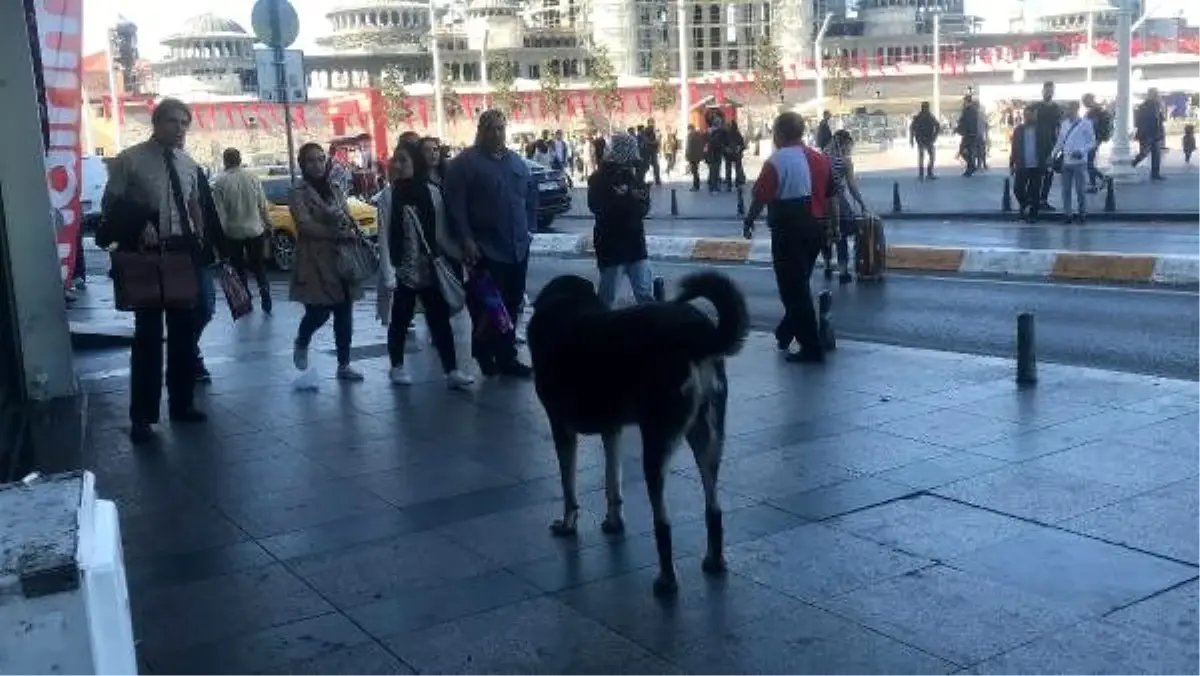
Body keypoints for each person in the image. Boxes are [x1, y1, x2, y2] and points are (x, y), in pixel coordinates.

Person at [96, 97, 207, 443]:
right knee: (147, 340)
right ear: (156, 123)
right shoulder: (130, 160)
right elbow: (109, 205)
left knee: (184, 336)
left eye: (185, 123)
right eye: (173, 122)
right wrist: (138, 223)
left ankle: (182, 404)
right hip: (145, 257)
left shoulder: (189, 164)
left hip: (179, 255)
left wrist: (200, 239)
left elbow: (193, 205)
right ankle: (142, 417)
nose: (180, 129)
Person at [443, 110, 536, 379]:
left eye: (501, 128)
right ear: (481, 130)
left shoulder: (516, 162)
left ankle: (497, 352)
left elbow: (530, 196)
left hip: (517, 247)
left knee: (513, 301)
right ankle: (496, 355)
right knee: (491, 306)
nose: (497, 134)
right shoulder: (465, 164)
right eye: (491, 129)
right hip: (486, 248)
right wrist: (467, 239)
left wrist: (530, 229)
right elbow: (455, 206)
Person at [377, 141, 474, 389]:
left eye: (404, 160)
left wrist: (461, 255)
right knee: (400, 319)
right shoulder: (388, 196)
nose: (398, 165)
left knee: (439, 320)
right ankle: (396, 366)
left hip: (430, 269)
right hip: (403, 271)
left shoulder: (432, 193)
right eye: (395, 160)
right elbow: (384, 237)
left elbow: (440, 234)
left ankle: (451, 370)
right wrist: (389, 274)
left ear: (415, 163)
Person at [742, 112, 833, 363]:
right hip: (816, 228)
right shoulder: (819, 158)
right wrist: (831, 228)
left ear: (780, 133)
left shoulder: (777, 161)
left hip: (789, 230)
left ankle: (811, 346)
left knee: (792, 290)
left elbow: (761, 196)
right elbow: (831, 196)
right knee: (799, 284)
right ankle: (787, 332)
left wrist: (749, 221)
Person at [289, 142, 365, 382]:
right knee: (318, 312)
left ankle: (344, 365)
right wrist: (332, 228)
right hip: (314, 260)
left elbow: (346, 215)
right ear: (302, 164)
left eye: (321, 159)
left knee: (345, 311)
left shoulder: (334, 186)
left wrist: (346, 223)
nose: (317, 165)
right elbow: (304, 225)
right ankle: (302, 340)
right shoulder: (297, 191)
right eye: (311, 160)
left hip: (341, 257)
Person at [588, 132, 654, 307]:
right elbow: (598, 208)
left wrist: (631, 197)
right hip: (612, 248)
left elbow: (643, 207)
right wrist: (624, 199)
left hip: (635, 245)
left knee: (645, 294)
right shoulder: (599, 178)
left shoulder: (634, 176)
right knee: (606, 299)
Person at [212, 147, 273, 315]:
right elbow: (262, 204)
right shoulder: (252, 177)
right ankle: (265, 293)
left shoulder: (220, 182)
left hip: (233, 233)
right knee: (259, 265)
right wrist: (269, 224)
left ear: (225, 161)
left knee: (239, 268)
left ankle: (246, 299)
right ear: (239, 160)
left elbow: (220, 212)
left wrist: (220, 237)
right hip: (255, 230)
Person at [820, 130, 869, 284]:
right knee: (840, 234)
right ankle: (842, 271)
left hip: (819, 200)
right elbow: (852, 186)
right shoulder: (845, 160)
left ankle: (827, 266)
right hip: (837, 200)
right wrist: (862, 204)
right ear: (846, 143)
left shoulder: (822, 156)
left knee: (826, 233)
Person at [1052, 101, 1096, 224]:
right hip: (1066, 161)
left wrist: (1082, 151)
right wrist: (1053, 155)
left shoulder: (1086, 123)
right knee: (1065, 190)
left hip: (1079, 162)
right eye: (1067, 108)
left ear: (1076, 109)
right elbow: (1060, 142)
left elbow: (1092, 142)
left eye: (1069, 108)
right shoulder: (1064, 124)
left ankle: (1082, 213)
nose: (1067, 110)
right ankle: (1068, 214)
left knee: (1080, 189)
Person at [1009, 105, 1048, 223]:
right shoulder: (1018, 130)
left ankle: (1033, 214)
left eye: (1031, 114)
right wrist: (1012, 163)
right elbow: (1014, 147)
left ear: (1034, 115)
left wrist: (1047, 160)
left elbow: (1047, 146)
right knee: (1018, 189)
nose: (1028, 117)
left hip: (1037, 164)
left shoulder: (1041, 129)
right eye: (1026, 115)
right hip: (1022, 164)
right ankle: (1025, 203)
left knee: (1035, 190)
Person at [1033, 81, 1064, 209]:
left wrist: (1059, 146)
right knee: (1036, 173)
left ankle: (1043, 200)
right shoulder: (1036, 107)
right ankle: (1034, 199)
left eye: (1051, 91)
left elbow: (1060, 127)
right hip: (1037, 143)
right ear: (1042, 91)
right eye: (1047, 90)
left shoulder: (1057, 108)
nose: (1049, 93)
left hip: (1051, 144)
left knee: (1049, 173)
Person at [1132, 88, 1166, 180]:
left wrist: (1162, 109)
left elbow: (1161, 119)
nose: (1156, 95)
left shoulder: (1157, 105)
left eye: (1156, 93)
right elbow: (1142, 120)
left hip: (1155, 133)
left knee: (1156, 154)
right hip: (1147, 133)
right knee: (1144, 153)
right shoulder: (1145, 106)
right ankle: (1131, 165)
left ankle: (1155, 174)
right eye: (1155, 94)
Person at [1082, 93, 1111, 192]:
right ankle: (1097, 182)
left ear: (1090, 100)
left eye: (1085, 102)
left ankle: (1098, 181)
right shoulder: (1095, 110)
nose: (1084, 104)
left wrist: (1099, 139)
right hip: (1093, 139)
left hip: (1094, 140)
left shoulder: (1096, 111)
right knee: (1089, 162)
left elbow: (1096, 127)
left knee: (1089, 162)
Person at [910, 101, 941, 180]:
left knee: (922, 156)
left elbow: (912, 128)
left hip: (921, 139)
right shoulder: (929, 116)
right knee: (931, 156)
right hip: (928, 139)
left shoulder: (918, 117)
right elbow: (937, 126)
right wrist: (934, 136)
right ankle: (929, 173)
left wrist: (912, 139)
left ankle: (921, 174)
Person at [724, 120, 747, 189]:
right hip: (731, 154)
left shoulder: (736, 134)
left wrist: (739, 147)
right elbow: (723, 144)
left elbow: (742, 145)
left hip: (735, 154)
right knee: (731, 170)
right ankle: (731, 184)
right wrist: (726, 148)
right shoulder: (728, 134)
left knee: (736, 169)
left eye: (730, 125)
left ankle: (734, 184)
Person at [641, 119, 662, 186]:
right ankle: (642, 180)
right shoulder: (645, 131)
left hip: (652, 151)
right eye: (651, 123)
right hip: (647, 151)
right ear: (648, 123)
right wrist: (653, 142)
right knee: (646, 166)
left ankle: (657, 180)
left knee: (655, 166)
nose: (652, 124)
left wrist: (655, 143)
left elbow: (658, 140)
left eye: (653, 123)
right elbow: (645, 140)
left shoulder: (655, 131)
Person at [684, 124, 706, 191]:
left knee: (694, 172)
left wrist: (687, 156)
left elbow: (689, 147)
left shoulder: (690, 136)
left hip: (692, 156)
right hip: (697, 156)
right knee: (696, 171)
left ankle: (695, 186)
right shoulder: (699, 135)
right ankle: (697, 185)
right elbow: (701, 145)